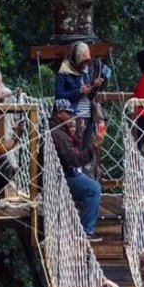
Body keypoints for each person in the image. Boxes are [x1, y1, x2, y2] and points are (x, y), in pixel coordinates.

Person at [50, 98, 103, 241]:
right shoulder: (57, 133)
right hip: (62, 178)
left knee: (90, 183)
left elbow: (73, 154)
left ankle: (83, 226)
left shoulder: (59, 131)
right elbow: (74, 160)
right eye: (68, 113)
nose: (70, 116)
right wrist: (94, 146)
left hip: (66, 174)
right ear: (60, 114)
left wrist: (78, 134)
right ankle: (86, 231)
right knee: (94, 189)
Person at [55, 41, 104, 151]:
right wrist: (79, 91)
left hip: (88, 116)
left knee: (86, 148)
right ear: (76, 59)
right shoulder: (64, 72)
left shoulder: (84, 72)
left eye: (87, 62)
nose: (85, 65)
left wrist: (94, 85)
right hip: (74, 117)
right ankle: (76, 168)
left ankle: (84, 168)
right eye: (83, 62)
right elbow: (59, 96)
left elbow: (89, 94)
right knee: (76, 148)